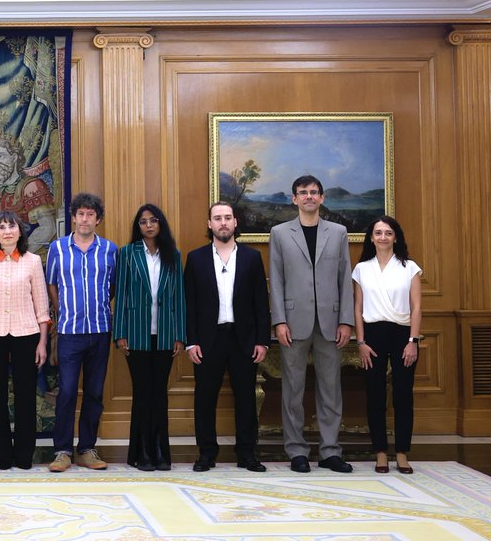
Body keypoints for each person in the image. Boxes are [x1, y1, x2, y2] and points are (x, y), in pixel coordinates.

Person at [269, 174, 355, 473]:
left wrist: (346, 320)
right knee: (292, 389)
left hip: (331, 323)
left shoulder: (339, 232)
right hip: (293, 322)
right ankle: (297, 451)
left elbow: (346, 279)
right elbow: (276, 280)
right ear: (294, 198)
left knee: (331, 388)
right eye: (302, 192)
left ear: (322, 197)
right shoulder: (280, 233)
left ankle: (330, 451)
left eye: (314, 192)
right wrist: (279, 320)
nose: (308, 196)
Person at [184, 201, 270, 473]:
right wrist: (190, 340)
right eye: (217, 218)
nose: (223, 223)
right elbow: (190, 304)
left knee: (246, 397)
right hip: (207, 340)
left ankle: (247, 453)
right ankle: (206, 454)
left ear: (235, 223)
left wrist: (262, 340)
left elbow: (261, 302)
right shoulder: (195, 258)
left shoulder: (251, 258)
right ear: (209, 224)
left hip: (243, 338)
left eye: (228, 218)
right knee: (205, 398)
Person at [0, 210, 50, 470]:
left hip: (26, 334)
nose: (7, 231)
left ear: (19, 231)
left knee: (26, 396)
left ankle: (24, 455)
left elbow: (42, 307)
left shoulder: (32, 262)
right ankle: (3, 456)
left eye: (11, 227)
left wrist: (42, 343)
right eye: (1, 227)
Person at [45, 192, 116, 472]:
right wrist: (61, 309)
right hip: (69, 332)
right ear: (73, 217)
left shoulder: (110, 250)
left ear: (98, 219)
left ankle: (87, 448)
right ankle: (62, 450)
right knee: (67, 392)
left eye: (90, 214)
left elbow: (112, 288)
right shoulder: (58, 249)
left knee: (95, 392)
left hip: (100, 330)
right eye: (80, 214)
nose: (84, 219)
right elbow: (51, 283)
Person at [113, 204, 185, 471]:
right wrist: (120, 332)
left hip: (166, 334)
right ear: (138, 226)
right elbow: (121, 295)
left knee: (160, 394)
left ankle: (160, 452)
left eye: (153, 220)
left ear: (161, 224)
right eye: (143, 222)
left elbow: (179, 296)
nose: (149, 225)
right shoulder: (128, 254)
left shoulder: (173, 255)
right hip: (136, 334)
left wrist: (180, 335)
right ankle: (142, 452)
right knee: (142, 393)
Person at [352, 215, 422, 474]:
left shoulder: (410, 267)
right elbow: (357, 309)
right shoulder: (361, 269)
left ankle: (402, 452)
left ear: (396, 237)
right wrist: (360, 342)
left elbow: (416, 308)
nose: (383, 237)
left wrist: (412, 341)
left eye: (388, 233)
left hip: (403, 335)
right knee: (375, 396)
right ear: (371, 237)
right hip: (372, 336)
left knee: (403, 395)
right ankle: (381, 452)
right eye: (378, 233)